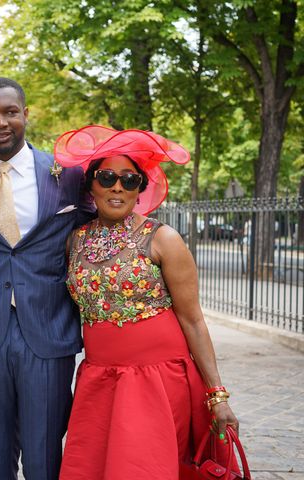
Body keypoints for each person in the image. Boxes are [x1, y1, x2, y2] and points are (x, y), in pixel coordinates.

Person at [54, 125, 239, 479]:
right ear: (91, 184)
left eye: (130, 179)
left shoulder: (163, 239)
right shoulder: (74, 241)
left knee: (142, 468)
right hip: (99, 381)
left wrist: (218, 395)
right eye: (107, 177)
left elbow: (194, 320)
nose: (117, 186)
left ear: (141, 189)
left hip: (157, 382)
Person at [0, 78, 89, 479]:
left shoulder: (68, 177)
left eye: (9, 112)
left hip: (47, 331)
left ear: (26, 114)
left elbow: (100, 229)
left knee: (44, 458)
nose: (0, 122)